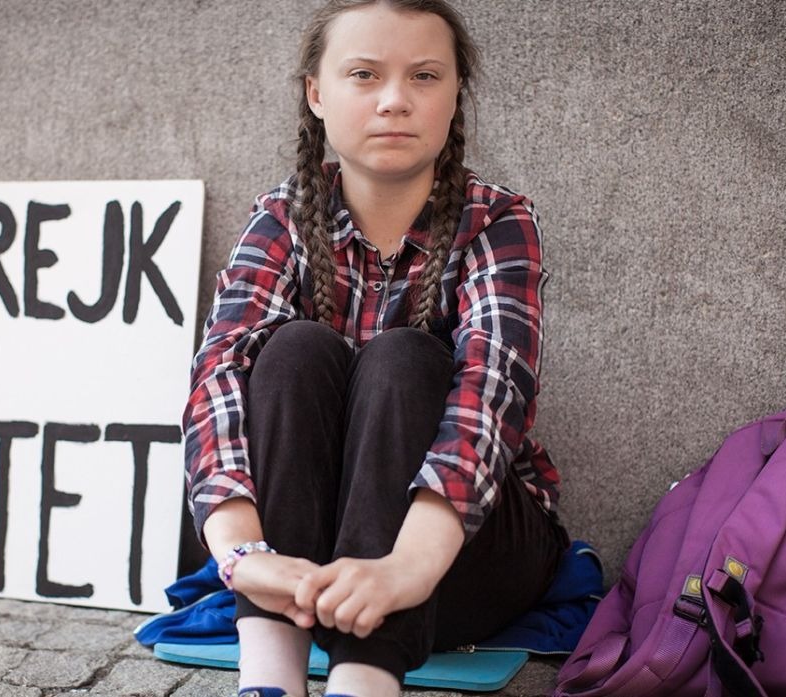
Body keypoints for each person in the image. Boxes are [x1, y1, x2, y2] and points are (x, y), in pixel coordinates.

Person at [182, 2, 569, 695]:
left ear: (455, 93)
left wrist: (404, 568)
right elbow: (218, 379)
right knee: (295, 350)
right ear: (317, 93)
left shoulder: (497, 219)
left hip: (454, 557)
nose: (394, 100)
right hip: (307, 564)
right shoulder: (282, 217)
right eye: (364, 74)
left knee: (403, 356)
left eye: (424, 76)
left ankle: (366, 679)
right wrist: (245, 558)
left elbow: (493, 390)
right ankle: (269, 669)